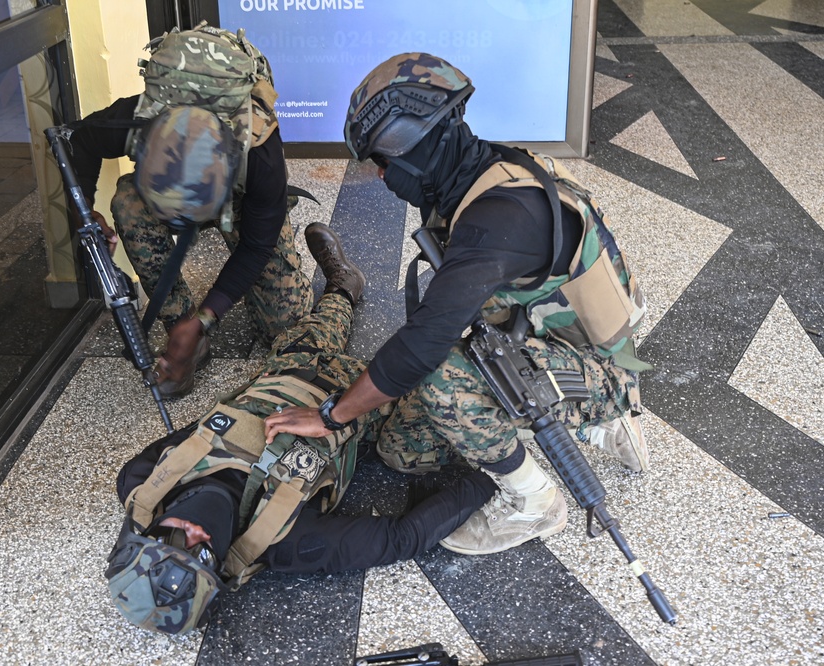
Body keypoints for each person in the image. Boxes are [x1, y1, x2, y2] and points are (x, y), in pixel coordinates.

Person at [264, 53, 650, 557]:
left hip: (601, 364)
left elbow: (424, 344)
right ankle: (586, 414)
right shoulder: (470, 174)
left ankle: (539, 497)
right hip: (538, 332)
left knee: (440, 376)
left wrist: (332, 416)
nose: (380, 177)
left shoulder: (502, 215)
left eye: (382, 162)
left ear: (415, 145)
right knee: (402, 452)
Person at [106, 223, 497, 636]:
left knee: (326, 316)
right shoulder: (286, 542)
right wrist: (492, 479)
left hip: (291, 369)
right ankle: (477, 341)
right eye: (202, 557)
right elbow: (400, 539)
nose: (195, 535)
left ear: (143, 533)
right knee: (420, 424)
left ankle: (345, 284)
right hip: (370, 407)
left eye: (171, 541)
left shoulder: (140, 482)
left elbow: (201, 425)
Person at [67, 23, 313, 398]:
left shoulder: (259, 153)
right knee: (129, 205)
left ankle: (339, 280)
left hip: (242, 200)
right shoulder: (137, 119)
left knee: (283, 325)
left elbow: (257, 247)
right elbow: (79, 141)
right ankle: (180, 330)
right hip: (175, 176)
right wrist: (86, 213)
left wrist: (207, 316)